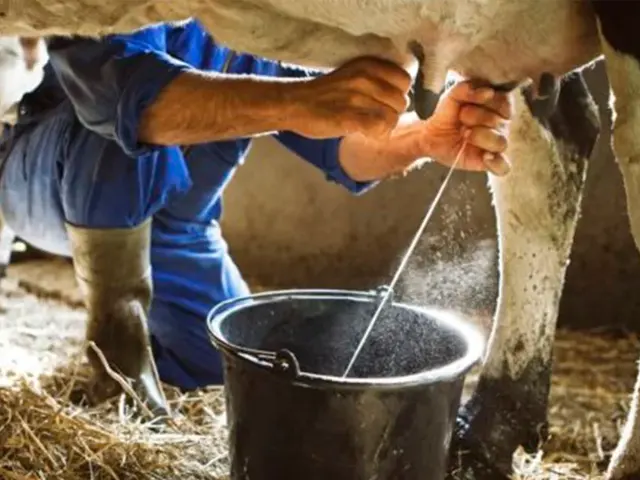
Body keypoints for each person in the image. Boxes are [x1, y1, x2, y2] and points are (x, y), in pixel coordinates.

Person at [0, 19, 512, 392]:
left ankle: (159, 350)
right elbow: (129, 100)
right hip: (47, 177)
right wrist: (302, 102)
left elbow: (344, 146)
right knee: (126, 135)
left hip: (179, 229)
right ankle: (119, 368)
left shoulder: (262, 21)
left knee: (228, 365)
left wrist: (424, 136)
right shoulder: (140, 8)